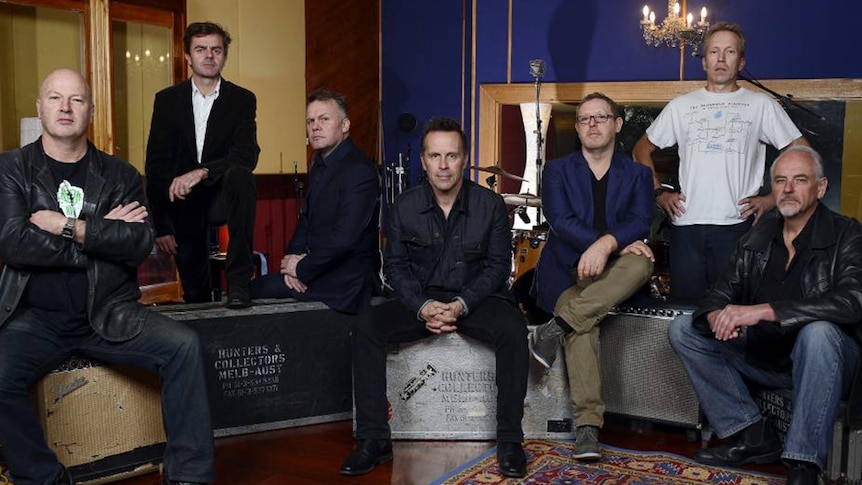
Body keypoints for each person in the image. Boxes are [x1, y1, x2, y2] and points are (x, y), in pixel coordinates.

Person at [0, 69, 214, 485]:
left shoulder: (120, 175)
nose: (65, 107)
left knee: (184, 346)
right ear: (40, 107)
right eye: (55, 98)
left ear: (91, 111)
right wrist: (101, 234)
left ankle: (190, 475)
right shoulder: (13, 167)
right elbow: (14, 242)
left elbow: (136, 244)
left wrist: (72, 226)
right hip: (34, 317)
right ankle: (42, 477)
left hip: (107, 311)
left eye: (76, 99)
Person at [340, 117, 529, 478]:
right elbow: (394, 266)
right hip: (421, 301)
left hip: (476, 300)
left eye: (452, 156)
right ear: (424, 160)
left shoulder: (490, 205)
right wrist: (423, 306)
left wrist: (461, 305)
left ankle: (509, 440)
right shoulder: (404, 206)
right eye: (435, 156)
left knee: (513, 329)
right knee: (366, 326)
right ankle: (374, 439)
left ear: (465, 158)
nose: (443, 165)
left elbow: (496, 267)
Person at [668, 146, 862, 485]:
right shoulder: (756, 237)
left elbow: (853, 301)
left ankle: (804, 464)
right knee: (684, 329)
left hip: (827, 362)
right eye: (780, 181)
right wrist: (717, 315)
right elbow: (717, 294)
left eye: (799, 180)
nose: (787, 189)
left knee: (818, 333)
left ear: (820, 187)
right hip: (766, 357)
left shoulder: (847, 233)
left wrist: (766, 311)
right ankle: (753, 434)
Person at [633, 22, 808, 300]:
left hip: (737, 227)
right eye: (714, 52)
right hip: (685, 225)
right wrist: (657, 194)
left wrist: (773, 199)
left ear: (741, 62)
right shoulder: (682, 106)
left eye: (730, 52)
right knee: (685, 315)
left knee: (732, 316)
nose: (721, 58)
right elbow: (641, 149)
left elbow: (804, 155)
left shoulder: (761, 105)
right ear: (704, 61)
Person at [528, 93, 656, 459]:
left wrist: (609, 247)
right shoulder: (556, 170)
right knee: (583, 326)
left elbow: (640, 221)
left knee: (642, 262)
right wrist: (608, 244)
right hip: (567, 273)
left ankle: (555, 329)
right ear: (579, 128)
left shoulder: (637, 174)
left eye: (600, 117)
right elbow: (561, 221)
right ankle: (588, 427)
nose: (592, 125)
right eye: (584, 119)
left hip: (613, 275)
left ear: (617, 124)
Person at [145, 21, 260, 309]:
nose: (209, 55)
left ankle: (238, 283)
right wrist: (161, 227)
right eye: (201, 49)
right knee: (195, 294)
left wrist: (203, 171)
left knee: (241, 176)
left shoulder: (242, 99)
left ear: (224, 55)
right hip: (183, 201)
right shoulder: (167, 100)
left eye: (216, 49)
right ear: (187, 56)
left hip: (223, 192)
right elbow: (156, 164)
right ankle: (197, 302)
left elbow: (247, 153)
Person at [249, 88, 380, 314]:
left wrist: (302, 268)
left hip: (347, 281)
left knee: (255, 289)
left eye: (324, 119)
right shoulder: (320, 164)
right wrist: (292, 265)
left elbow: (344, 240)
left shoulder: (359, 170)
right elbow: (306, 222)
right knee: (254, 289)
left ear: (345, 125)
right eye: (310, 121)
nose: (315, 127)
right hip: (319, 270)